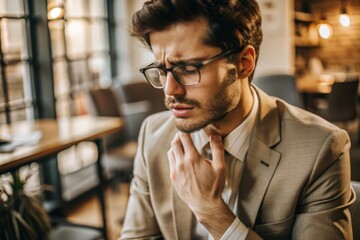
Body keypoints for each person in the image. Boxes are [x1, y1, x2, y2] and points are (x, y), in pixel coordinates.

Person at [120, 0, 355, 239]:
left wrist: (210, 210)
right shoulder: (153, 134)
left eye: (188, 68)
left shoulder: (320, 149)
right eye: (162, 70)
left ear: (243, 63)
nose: (170, 90)